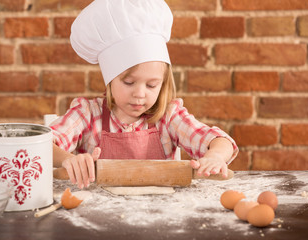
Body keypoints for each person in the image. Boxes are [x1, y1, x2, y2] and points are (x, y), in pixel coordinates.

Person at [50, 0, 238, 189]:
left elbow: (220, 141)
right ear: (110, 80)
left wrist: (215, 155)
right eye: (129, 82)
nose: (139, 94)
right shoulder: (88, 114)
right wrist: (69, 160)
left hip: (161, 211)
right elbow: (41, 145)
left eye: (152, 85)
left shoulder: (169, 117)